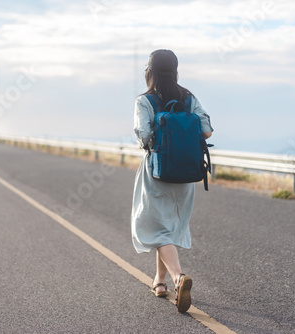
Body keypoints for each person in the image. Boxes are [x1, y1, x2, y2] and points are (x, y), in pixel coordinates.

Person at [131, 49, 214, 313]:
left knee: (154, 226)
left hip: (157, 171)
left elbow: (143, 136)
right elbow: (207, 129)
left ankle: (178, 278)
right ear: (176, 70)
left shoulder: (145, 101)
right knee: (166, 226)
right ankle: (160, 281)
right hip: (186, 172)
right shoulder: (189, 97)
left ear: (150, 71)